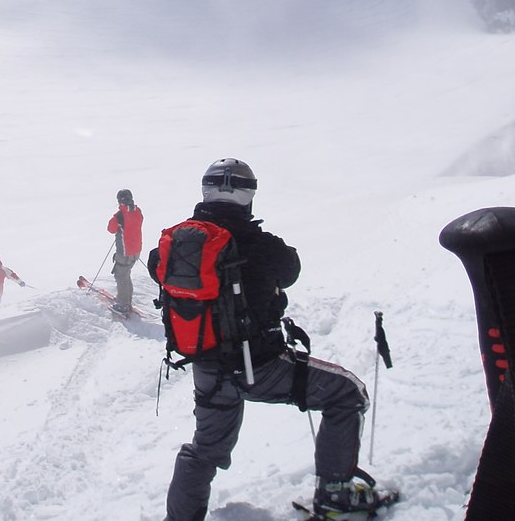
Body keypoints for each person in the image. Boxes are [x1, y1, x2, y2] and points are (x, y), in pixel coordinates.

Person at [148, 158, 388, 521]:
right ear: (248, 195)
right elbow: (290, 269)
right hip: (258, 366)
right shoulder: (262, 246)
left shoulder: (175, 244)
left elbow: (156, 268)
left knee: (206, 450)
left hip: (207, 367)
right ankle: (336, 497)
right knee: (347, 393)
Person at [107, 188, 143, 316]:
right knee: (126, 274)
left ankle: (123, 304)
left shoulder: (119, 216)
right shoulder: (138, 211)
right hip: (136, 251)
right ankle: (126, 301)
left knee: (121, 276)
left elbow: (110, 229)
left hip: (124, 252)